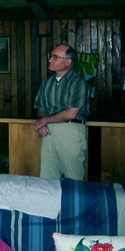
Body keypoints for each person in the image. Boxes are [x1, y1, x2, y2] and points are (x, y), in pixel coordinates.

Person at [34, 44, 90, 181]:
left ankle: (75, 203)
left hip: (70, 131)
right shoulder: (46, 83)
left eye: (55, 57)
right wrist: (41, 123)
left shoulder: (78, 83)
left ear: (68, 62)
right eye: (50, 56)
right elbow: (40, 108)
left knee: (73, 179)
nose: (50, 60)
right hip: (48, 134)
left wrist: (44, 120)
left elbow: (72, 113)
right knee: (47, 178)